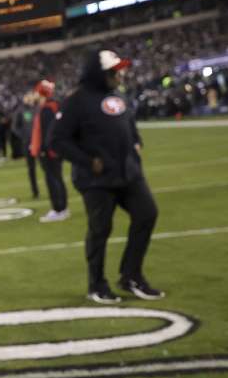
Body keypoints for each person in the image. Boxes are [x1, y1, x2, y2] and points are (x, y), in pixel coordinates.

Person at [53, 49, 165, 304]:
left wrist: (136, 142)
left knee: (147, 214)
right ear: (99, 73)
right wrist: (87, 161)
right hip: (96, 179)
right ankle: (97, 285)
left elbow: (128, 125)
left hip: (128, 172)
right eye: (114, 70)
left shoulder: (117, 95)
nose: (120, 74)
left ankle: (131, 275)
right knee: (100, 229)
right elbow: (58, 139)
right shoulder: (76, 101)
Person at [30, 79, 69, 223]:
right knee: (57, 178)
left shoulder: (47, 108)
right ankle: (62, 208)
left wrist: (44, 150)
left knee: (52, 179)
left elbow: (47, 132)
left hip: (49, 151)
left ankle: (58, 209)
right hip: (54, 150)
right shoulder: (52, 106)